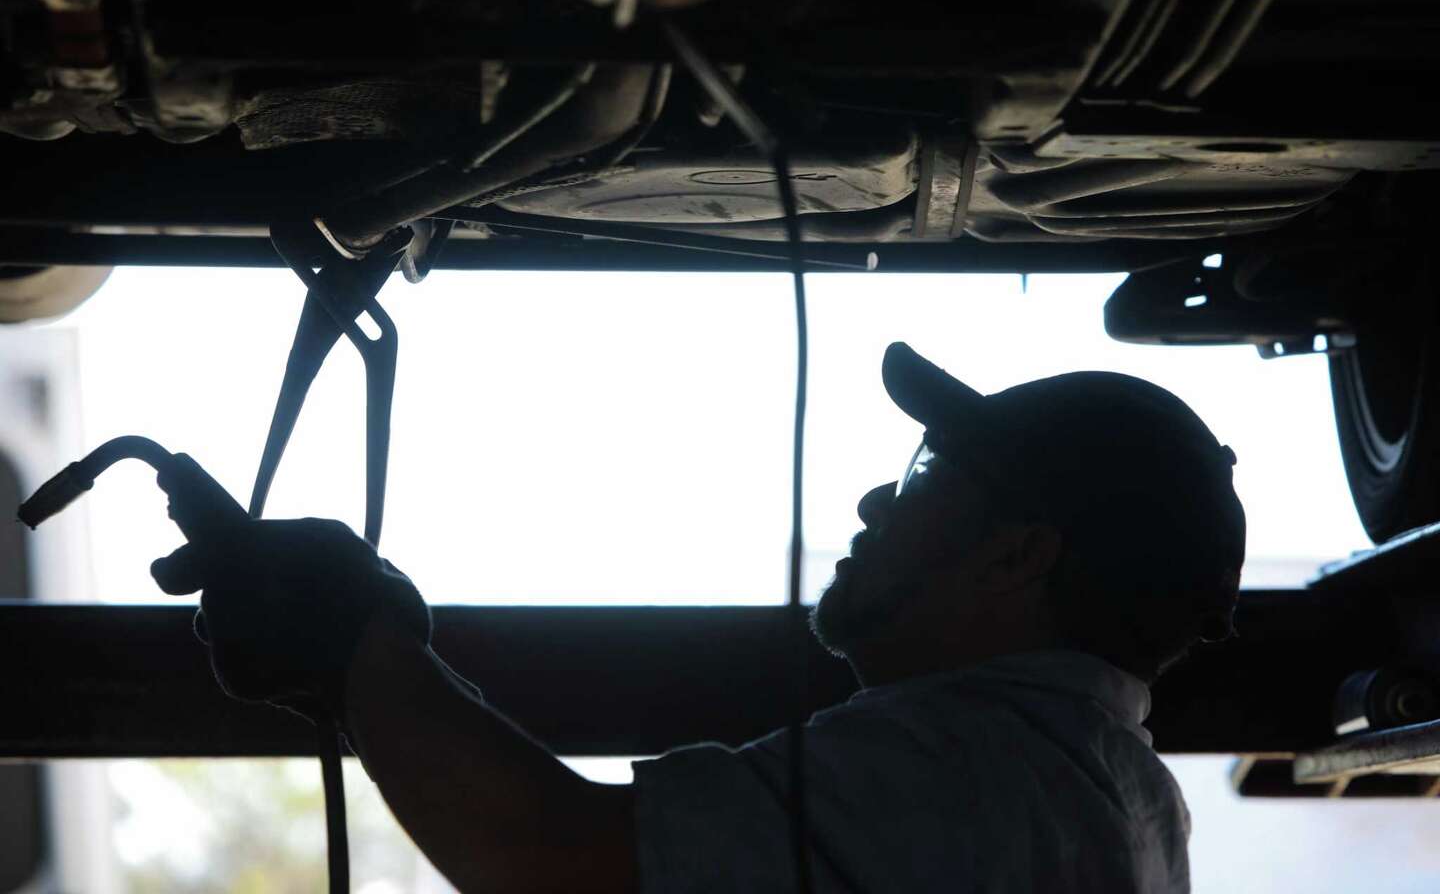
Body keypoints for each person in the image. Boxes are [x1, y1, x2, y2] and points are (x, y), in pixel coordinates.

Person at [151, 341, 1246, 894]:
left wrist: (357, 638)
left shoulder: (969, 765)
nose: (876, 500)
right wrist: (367, 672)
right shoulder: (1117, 795)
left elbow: (552, 855)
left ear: (1018, 555)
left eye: (924, 475)